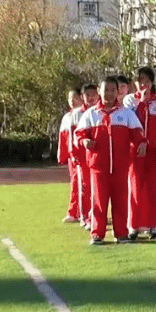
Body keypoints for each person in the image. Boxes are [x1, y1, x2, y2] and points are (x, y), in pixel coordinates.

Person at [75, 77, 145, 245]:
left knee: (121, 202)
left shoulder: (126, 113)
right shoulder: (91, 114)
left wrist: (141, 143)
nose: (109, 93)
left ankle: (121, 234)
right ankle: (97, 234)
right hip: (98, 167)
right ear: (100, 91)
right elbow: (80, 134)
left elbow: (138, 133)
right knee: (99, 202)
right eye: (106, 90)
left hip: (121, 167)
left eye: (112, 90)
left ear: (117, 92)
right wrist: (85, 141)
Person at [125, 67, 156, 241]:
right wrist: (142, 104)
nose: (143, 85)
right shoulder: (130, 101)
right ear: (135, 83)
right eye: (140, 81)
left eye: (147, 81)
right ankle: (133, 226)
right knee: (135, 189)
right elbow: (131, 124)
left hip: (154, 153)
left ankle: (155, 226)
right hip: (135, 153)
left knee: (154, 189)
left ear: (152, 83)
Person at [73, 83, 100, 230]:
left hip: (97, 157)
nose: (90, 97)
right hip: (83, 157)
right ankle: (84, 216)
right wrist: (75, 154)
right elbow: (74, 135)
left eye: (93, 94)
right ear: (83, 97)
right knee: (85, 188)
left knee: (97, 188)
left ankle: (94, 215)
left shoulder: (100, 111)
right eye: (87, 95)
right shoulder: (77, 113)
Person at [58, 89, 84, 224]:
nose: (72, 101)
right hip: (72, 157)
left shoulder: (84, 114)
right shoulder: (67, 117)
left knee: (81, 183)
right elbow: (63, 137)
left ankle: (79, 212)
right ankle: (75, 211)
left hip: (82, 155)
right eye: (69, 98)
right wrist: (62, 154)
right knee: (75, 183)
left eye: (75, 97)